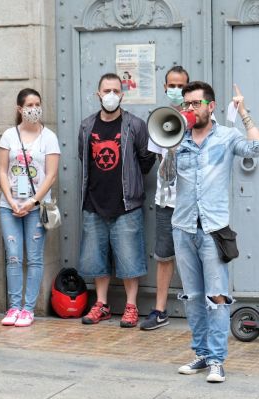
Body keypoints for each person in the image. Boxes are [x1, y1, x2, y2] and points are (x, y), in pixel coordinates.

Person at [173, 82, 259, 383]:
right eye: (186, 104)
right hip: (183, 226)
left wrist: (244, 114)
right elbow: (164, 176)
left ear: (210, 106)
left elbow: (258, 147)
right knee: (192, 296)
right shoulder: (179, 138)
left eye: (195, 103)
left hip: (213, 228)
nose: (190, 109)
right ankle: (200, 353)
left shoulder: (226, 137)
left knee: (217, 296)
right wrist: (170, 142)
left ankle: (216, 359)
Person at [78, 72, 156, 328]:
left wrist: (131, 181)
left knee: (130, 258)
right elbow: (84, 157)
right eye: (106, 90)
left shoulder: (135, 125)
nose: (110, 95)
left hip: (126, 204)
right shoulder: (87, 126)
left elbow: (146, 158)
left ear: (122, 94)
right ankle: (101, 304)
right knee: (95, 258)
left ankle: (131, 306)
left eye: (115, 91)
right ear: (97, 94)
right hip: (94, 203)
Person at [0, 88, 60, 327]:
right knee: (13, 257)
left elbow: (51, 175)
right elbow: (2, 170)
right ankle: (13, 307)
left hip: (37, 207)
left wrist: (32, 202)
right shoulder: (8, 136)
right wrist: (12, 200)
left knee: (34, 259)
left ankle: (28, 309)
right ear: (19, 109)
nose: (34, 109)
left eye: (37, 104)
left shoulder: (49, 137)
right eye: (29, 105)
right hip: (9, 205)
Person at [140, 65, 189, 331]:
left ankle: (203, 307)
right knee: (163, 255)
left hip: (190, 199)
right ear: (164, 87)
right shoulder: (160, 118)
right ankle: (159, 309)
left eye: (182, 86)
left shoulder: (198, 118)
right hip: (166, 199)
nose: (177, 90)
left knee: (197, 254)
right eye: (172, 85)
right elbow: (159, 157)